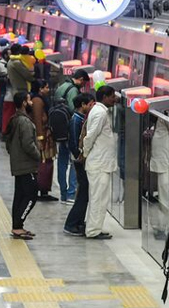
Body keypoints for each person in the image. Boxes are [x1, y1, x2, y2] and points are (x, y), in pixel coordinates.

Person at [82, 85, 118, 240]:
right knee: (98, 198)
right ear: (104, 97)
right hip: (99, 163)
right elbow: (90, 136)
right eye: (112, 96)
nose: (115, 99)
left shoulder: (99, 111)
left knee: (99, 198)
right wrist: (85, 152)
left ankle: (94, 227)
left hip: (101, 163)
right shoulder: (100, 113)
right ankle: (92, 230)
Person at [5, 92, 41, 240]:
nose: (32, 102)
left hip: (18, 163)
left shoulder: (15, 119)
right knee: (31, 196)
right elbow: (28, 144)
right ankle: (18, 225)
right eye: (29, 100)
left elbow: (8, 143)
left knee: (20, 196)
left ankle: (17, 226)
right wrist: (38, 155)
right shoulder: (25, 122)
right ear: (24, 103)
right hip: (26, 165)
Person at [63, 94, 94, 236]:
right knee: (82, 193)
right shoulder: (76, 120)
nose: (92, 107)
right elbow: (74, 143)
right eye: (90, 104)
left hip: (81, 160)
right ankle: (71, 223)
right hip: (79, 162)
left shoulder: (80, 119)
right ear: (83, 104)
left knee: (85, 193)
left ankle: (79, 221)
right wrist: (80, 157)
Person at [29, 79, 59, 202]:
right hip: (43, 137)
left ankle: (44, 189)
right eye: (46, 87)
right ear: (40, 89)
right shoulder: (37, 101)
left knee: (47, 162)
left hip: (46, 136)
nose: (48, 89)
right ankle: (42, 189)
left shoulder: (40, 100)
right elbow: (37, 120)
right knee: (43, 163)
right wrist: (40, 138)